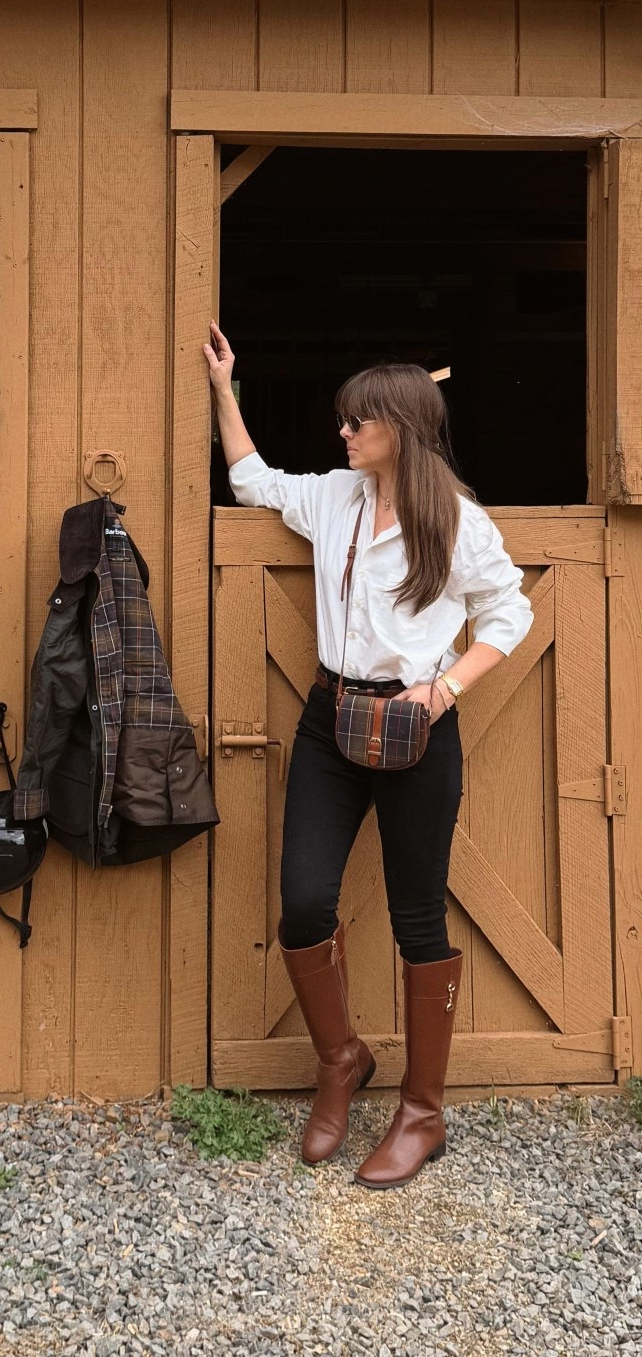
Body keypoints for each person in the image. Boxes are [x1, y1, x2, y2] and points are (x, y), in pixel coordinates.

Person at [203, 325, 533, 1189]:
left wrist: (443, 690)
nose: (343, 433)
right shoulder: (335, 498)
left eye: (359, 422)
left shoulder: (456, 520)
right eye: (344, 421)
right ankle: (340, 1057)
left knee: (420, 917)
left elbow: (509, 615)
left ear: (403, 427)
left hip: (418, 731)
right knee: (305, 902)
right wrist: (225, 389)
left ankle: (422, 1114)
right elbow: (251, 482)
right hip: (331, 721)